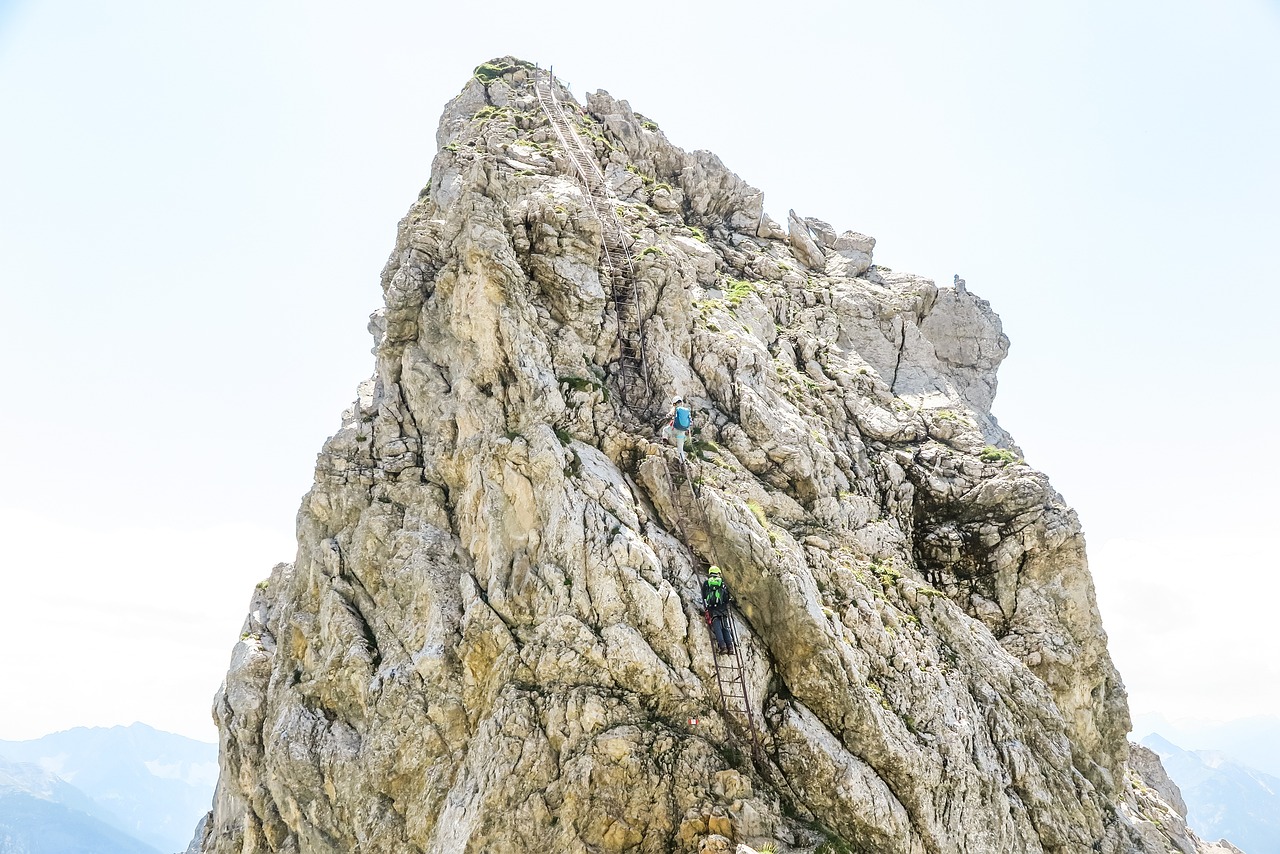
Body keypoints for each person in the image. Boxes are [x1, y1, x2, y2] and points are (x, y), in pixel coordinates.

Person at [702, 565, 734, 655]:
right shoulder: (722, 583)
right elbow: (727, 597)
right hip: (723, 608)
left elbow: (704, 596)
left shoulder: (706, 583)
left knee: (717, 628)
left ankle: (723, 647)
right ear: (718, 573)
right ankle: (730, 647)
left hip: (712, 608)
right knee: (725, 627)